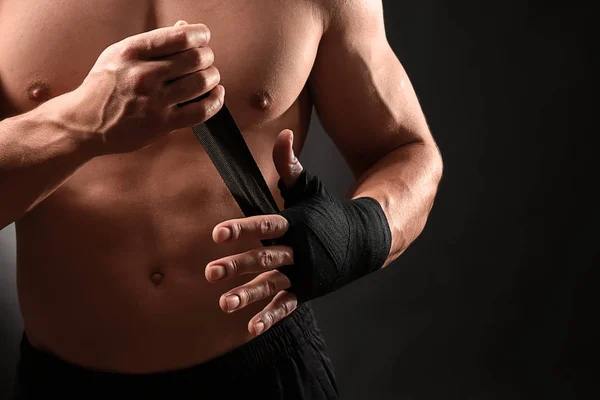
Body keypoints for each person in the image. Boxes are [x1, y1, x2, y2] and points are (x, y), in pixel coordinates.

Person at [0, 1, 443, 398]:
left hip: (265, 369)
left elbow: (407, 151)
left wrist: (353, 235)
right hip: (62, 382)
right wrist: (81, 122)